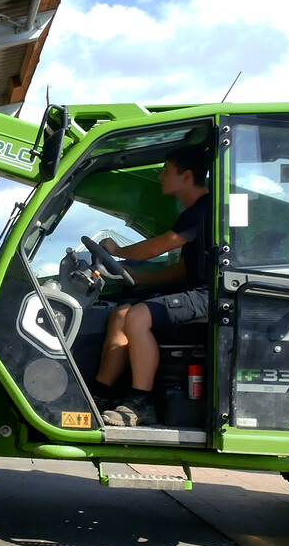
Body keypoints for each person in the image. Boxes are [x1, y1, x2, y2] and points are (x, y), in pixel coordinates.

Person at [89, 146, 212, 426]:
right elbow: (180, 271)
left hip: (209, 297)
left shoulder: (202, 211)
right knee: (122, 314)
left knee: (138, 315)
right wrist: (135, 276)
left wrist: (119, 250)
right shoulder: (194, 214)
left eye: (166, 171)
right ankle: (101, 392)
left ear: (187, 176)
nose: (160, 177)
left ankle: (140, 402)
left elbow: (158, 247)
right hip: (195, 292)